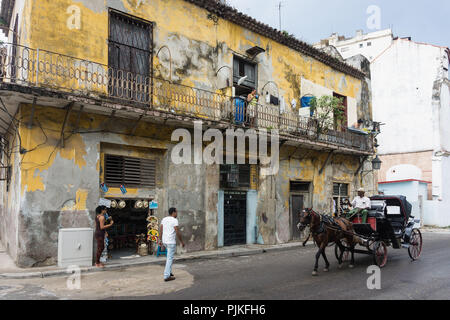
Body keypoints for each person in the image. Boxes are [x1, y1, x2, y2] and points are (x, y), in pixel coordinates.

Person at [159, 207, 185, 282]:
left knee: (169, 257)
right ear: (173, 212)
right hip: (170, 242)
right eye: (176, 212)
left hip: (165, 241)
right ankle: (166, 276)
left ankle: (169, 273)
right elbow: (177, 232)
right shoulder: (174, 220)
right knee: (169, 259)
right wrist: (181, 242)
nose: (177, 214)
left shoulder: (164, 219)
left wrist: (160, 240)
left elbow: (161, 230)